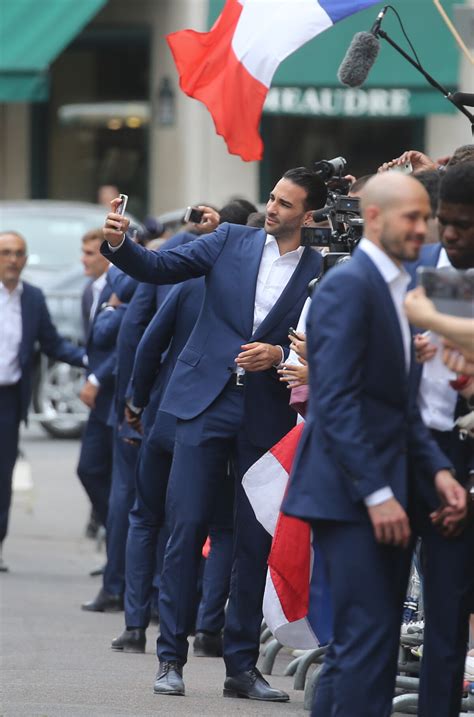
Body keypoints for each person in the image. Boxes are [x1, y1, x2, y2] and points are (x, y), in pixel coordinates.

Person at [101, 167, 326, 701]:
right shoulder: (230, 239)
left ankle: (241, 669)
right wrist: (120, 244)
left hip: (266, 410)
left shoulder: (322, 268)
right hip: (204, 401)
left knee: (254, 541)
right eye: (271, 198)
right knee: (185, 526)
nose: (272, 209)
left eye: (286, 204)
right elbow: (158, 267)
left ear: (310, 216)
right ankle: (170, 661)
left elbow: (322, 338)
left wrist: (283, 354)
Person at [282, 172, 466, 717]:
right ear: (377, 218)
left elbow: (402, 411)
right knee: (364, 647)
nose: (424, 229)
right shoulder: (348, 285)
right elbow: (336, 403)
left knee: (373, 648)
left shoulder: (404, 287)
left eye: (424, 217)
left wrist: (437, 473)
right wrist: (379, 493)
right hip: (348, 495)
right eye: (413, 217)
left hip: (384, 488)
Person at [405, 161, 474, 717]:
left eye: (463, 224)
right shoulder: (410, 265)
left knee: (447, 619)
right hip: (400, 457)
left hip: (463, 465)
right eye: (443, 222)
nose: (449, 234)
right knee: (376, 617)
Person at [0, 231, 86, 572]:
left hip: (9, 399)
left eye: (18, 253)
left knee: (3, 475)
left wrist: (91, 359)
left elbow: (52, 342)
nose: (12, 259)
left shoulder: (32, 298)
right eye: (5, 252)